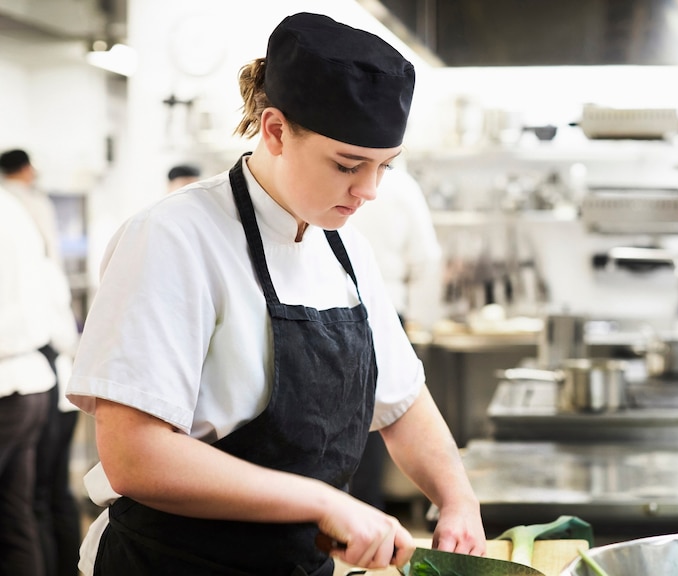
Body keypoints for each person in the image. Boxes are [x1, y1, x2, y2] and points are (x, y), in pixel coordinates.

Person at [66, 12, 485, 576]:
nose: (369, 190)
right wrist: (321, 502)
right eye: (348, 165)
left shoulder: (346, 249)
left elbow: (402, 401)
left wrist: (457, 498)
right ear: (275, 131)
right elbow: (134, 456)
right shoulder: (174, 238)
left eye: (385, 167)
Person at [0, 149, 82, 576]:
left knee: (36, 505)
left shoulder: (15, 207)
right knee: (22, 513)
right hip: (34, 379)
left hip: (15, 381)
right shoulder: (16, 210)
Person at [346, 163, 443, 511]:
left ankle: (356, 514)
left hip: (358, 310)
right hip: (391, 309)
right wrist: (421, 319)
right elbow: (427, 259)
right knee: (370, 422)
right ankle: (365, 509)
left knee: (359, 417)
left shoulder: (339, 185)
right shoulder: (402, 187)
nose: (366, 190)